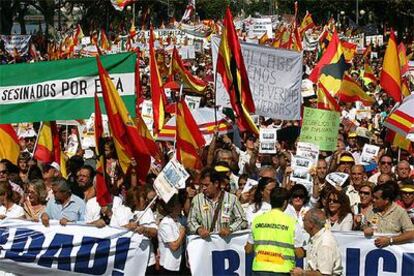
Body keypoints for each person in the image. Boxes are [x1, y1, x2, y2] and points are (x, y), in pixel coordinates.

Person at [245, 187, 304, 275]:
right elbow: (299, 254)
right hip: (282, 270)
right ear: (285, 203)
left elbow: (248, 249)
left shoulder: (257, 220)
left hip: (260, 269)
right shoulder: (292, 223)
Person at [188, 167, 247, 237]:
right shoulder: (197, 200)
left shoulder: (232, 199)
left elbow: (242, 220)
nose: (203, 188)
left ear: (216, 183)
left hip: (226, 244)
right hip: (206, 244)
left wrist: (230, 229)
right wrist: (199, 229)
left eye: (206, 185)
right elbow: (191, 221)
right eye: (202, 185)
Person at [291, 208, 343, 276]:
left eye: (304, 220)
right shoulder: (315, 237)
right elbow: (302, 253)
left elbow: (324, 274)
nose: (303, 221)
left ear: (311, 224)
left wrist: (302, 273)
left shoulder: (325, 243)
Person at [362, 181, 414, 247]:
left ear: (386, 200)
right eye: (373, 197)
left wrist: (390, 240)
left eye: (377, 198)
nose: (373, 200)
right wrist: (365, 228)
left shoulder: (400, 212)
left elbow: (411, 233)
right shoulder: (371, 209)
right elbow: (364, 225)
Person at [158, 195, 187, 274]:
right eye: (178, 204)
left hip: (179, 263)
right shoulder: (165, 223)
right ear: (171, 207)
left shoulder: (179, 219)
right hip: (169, 266)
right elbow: (174, 246)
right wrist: (182, 233)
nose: (180, 205)